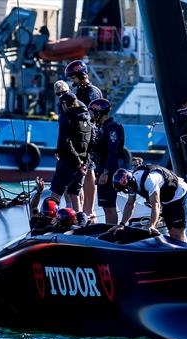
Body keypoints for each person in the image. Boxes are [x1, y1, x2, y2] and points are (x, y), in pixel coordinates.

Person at [110, 165, 187, 242]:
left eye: (127, 188)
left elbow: (155, 204)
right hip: (166, 199)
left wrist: (152, 225)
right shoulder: (131, 184)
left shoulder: (149, 180)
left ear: (131, 181)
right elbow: (130, 204)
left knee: (178, 232)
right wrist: (122, 224)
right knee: (172, 232)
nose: (128, 190)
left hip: (179, 195)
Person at [65, 60, 102, 220]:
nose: (72, 81)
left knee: (89, 171)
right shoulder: (80, 91)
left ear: (81, 75)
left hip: (90, 136)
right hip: (80, 135)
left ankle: (89, 209)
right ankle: (79, 207)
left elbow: (93, 115)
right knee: (80, 170)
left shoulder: (91, 92)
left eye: (73, 78)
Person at [49, 92, 93, 212]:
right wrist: (84, 163)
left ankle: (49, 219)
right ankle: (79, 220)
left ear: (64, 104)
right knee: (75, 194)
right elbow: (91, 143)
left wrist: (77, 161)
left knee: (56, 192)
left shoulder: (67, 118)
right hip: (83, 163)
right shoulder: (88, 119)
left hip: (69, 162)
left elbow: (66, 142)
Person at [88, 98, 124, 224]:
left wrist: (106, 172)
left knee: (109, 207)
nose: (91, 114)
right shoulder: (101, 127)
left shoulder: (112, 127)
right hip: (101, 170)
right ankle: (108, 230)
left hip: (109, 171)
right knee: (104, 206)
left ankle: (112, 233)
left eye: (92, 111)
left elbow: (113, 151)